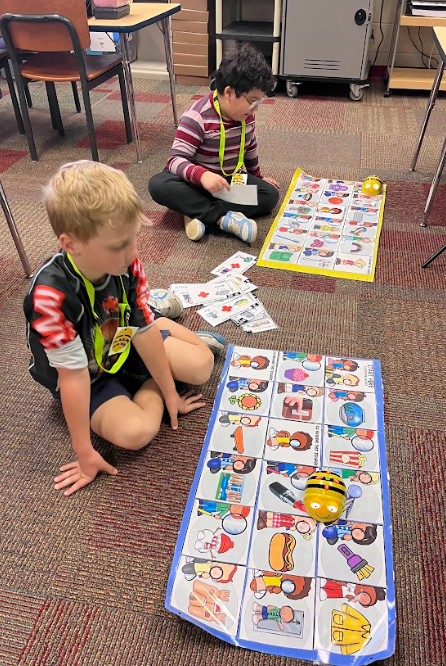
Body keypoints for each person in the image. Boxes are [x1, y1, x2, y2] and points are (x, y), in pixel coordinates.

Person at [23, 161, 226, 497]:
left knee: (202, 366)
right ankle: (161, 331)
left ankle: (161, 318)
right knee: (136, 434)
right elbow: (73, 379)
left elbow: (142, 331)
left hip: (121, 340)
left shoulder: (126, 261)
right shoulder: (50, 296)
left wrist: (172, 394)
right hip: (86, 376)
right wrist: (85, 454)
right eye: (119, 245)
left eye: (133, 239)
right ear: (71, 243)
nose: (133, 253)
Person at [148, 43, 280, 243]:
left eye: (259, 102)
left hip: (226, 183)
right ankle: (221, 218)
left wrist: (258, 176)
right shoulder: (197, 116)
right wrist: (203, 176)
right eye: (252, 101)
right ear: (229, 92)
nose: (256, 109)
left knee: (269, 195)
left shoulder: (246, 116)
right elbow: (175, 161)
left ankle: (196, 211)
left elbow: (250, 147)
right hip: (194, 183)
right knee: (158, 184)